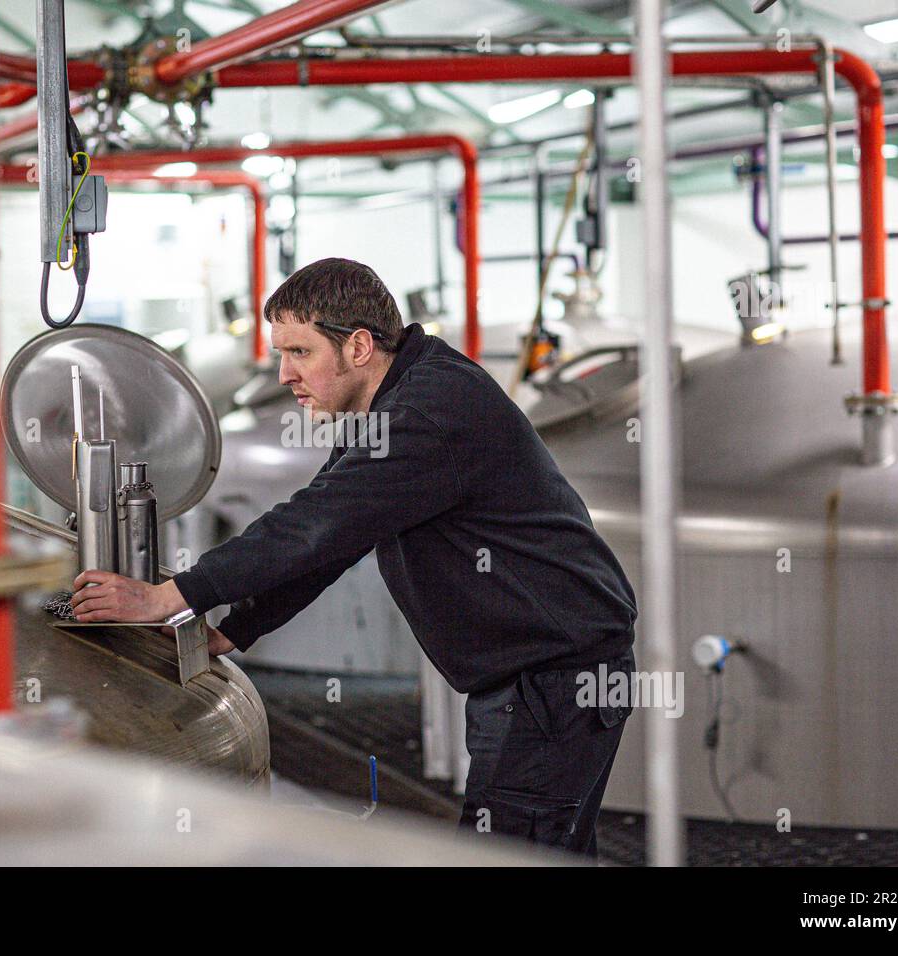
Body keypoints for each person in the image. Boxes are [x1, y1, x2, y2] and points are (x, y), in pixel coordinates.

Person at [70, 256, 638, 857]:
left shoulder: (425, 412)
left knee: (508, 853)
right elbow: (333, 534)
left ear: (360, 345)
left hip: (551, 682)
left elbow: (313, 526)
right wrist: (236, 627)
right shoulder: (397, 401)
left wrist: (168, 596)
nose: (285, 373)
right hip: (541, 673)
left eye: (300, 352)